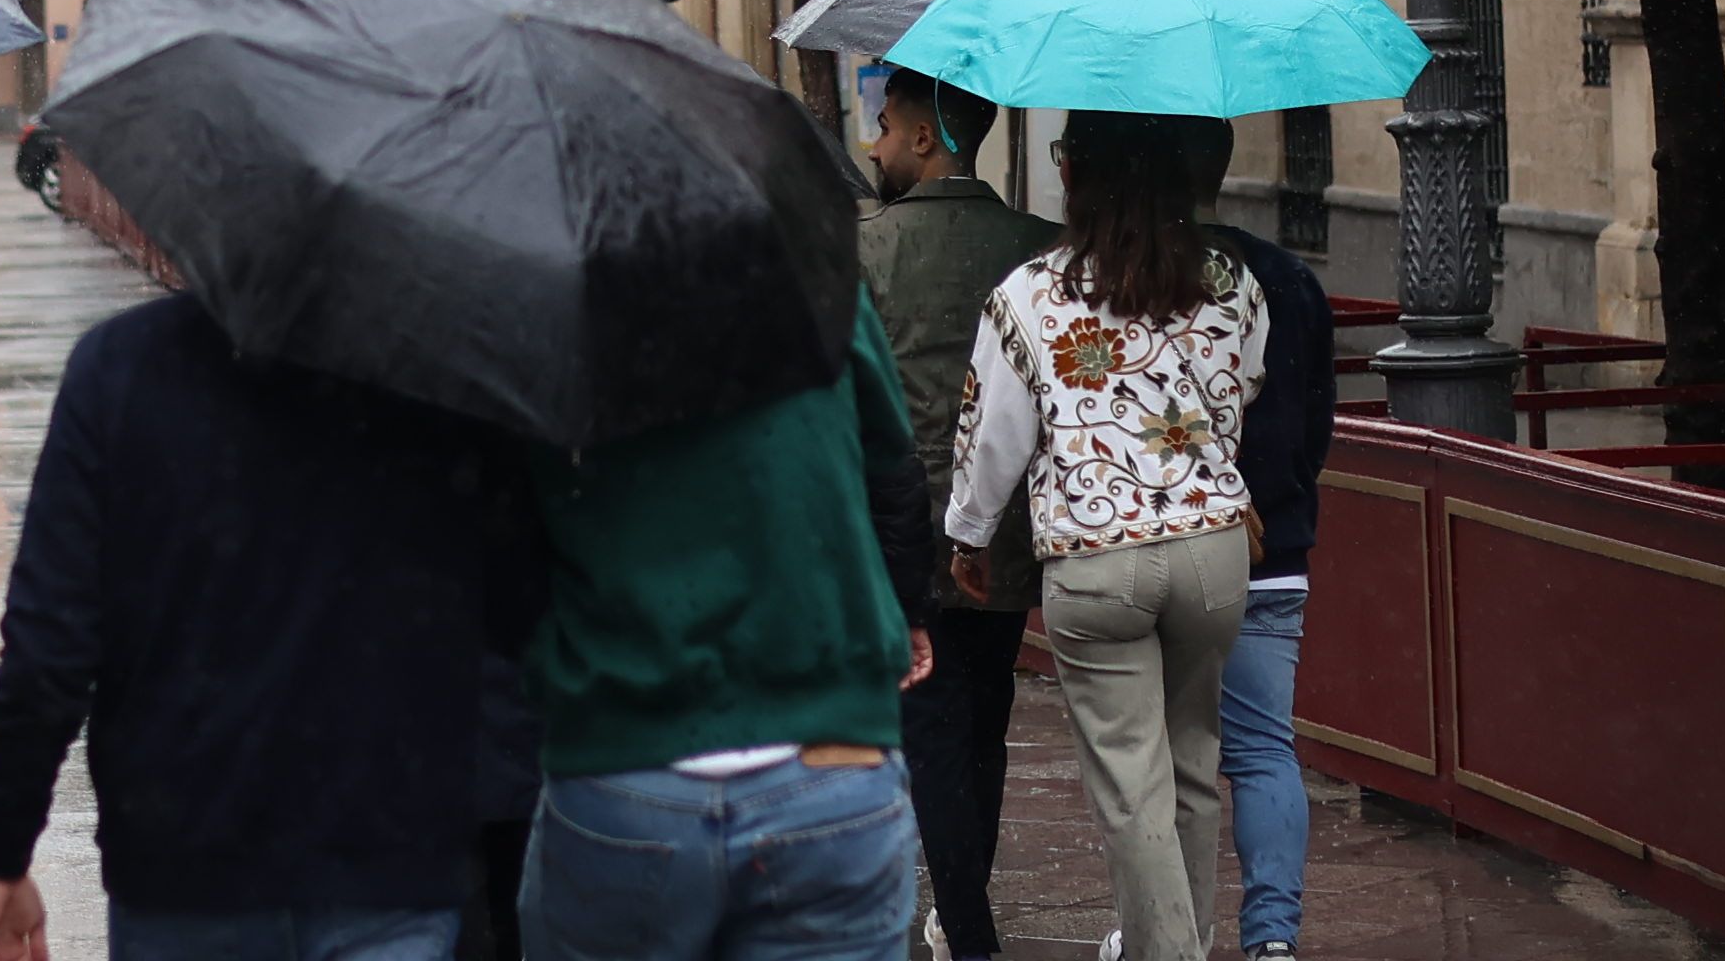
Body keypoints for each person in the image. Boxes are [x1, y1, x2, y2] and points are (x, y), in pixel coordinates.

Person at [0, 290, 516, 961]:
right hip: (388, 850)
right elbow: (517, 604)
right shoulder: (440, 374)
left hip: (185, 859)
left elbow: (49, 644)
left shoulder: (122, 368)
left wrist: (4, 844)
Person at [519, 281, 936, 961]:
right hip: (829, 742)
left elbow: (509, 530)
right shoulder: (817, 284)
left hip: (626, 748)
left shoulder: (552, 300)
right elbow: (891, 468)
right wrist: (909, 604)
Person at [947, 111, 1268, 961]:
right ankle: (1179, 940)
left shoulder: (1029, 296)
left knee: (1132, 785)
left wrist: (969, 535)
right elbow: (1246, 388)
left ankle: (1170, 954)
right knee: (1193, 763)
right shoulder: (1231, 283)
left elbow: (992, 441)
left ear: (1077, 174)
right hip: (1212, 549)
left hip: (1096, 557)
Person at [861, 68, 1055, 961]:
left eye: (886, 127)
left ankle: (969, 927)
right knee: (985, 716)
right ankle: (964, 911)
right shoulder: (1040, 246)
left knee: (932, 726)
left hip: (904, 529)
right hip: (1011, 529)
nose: (874, 144)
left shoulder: (864, 250)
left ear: (927, 139)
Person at [1180, 124, 1336, 961]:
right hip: (1271, 552)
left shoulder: (1136, 276)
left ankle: (1169, 928)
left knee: (1165, 757)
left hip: (1163, 545)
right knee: (1263, 749)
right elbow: (1317, 427)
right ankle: (1272, 938)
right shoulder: (1288, 278)